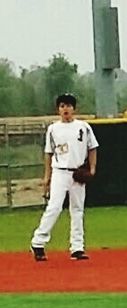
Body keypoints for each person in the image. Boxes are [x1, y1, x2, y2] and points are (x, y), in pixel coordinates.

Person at [30, 93, 98, 261]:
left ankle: (77, 247)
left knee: (77, 210)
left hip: (77, 172)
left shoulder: (83, 127)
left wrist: (92, 168)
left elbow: (92, 148)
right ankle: (38, 242)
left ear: (74, 109)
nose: (65, 109)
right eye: (62, 106)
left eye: (68, 105)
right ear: (58, 109)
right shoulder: (53, 129)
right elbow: (48, 152)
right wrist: (47, 176)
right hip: (60, 171)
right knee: (54, 207)